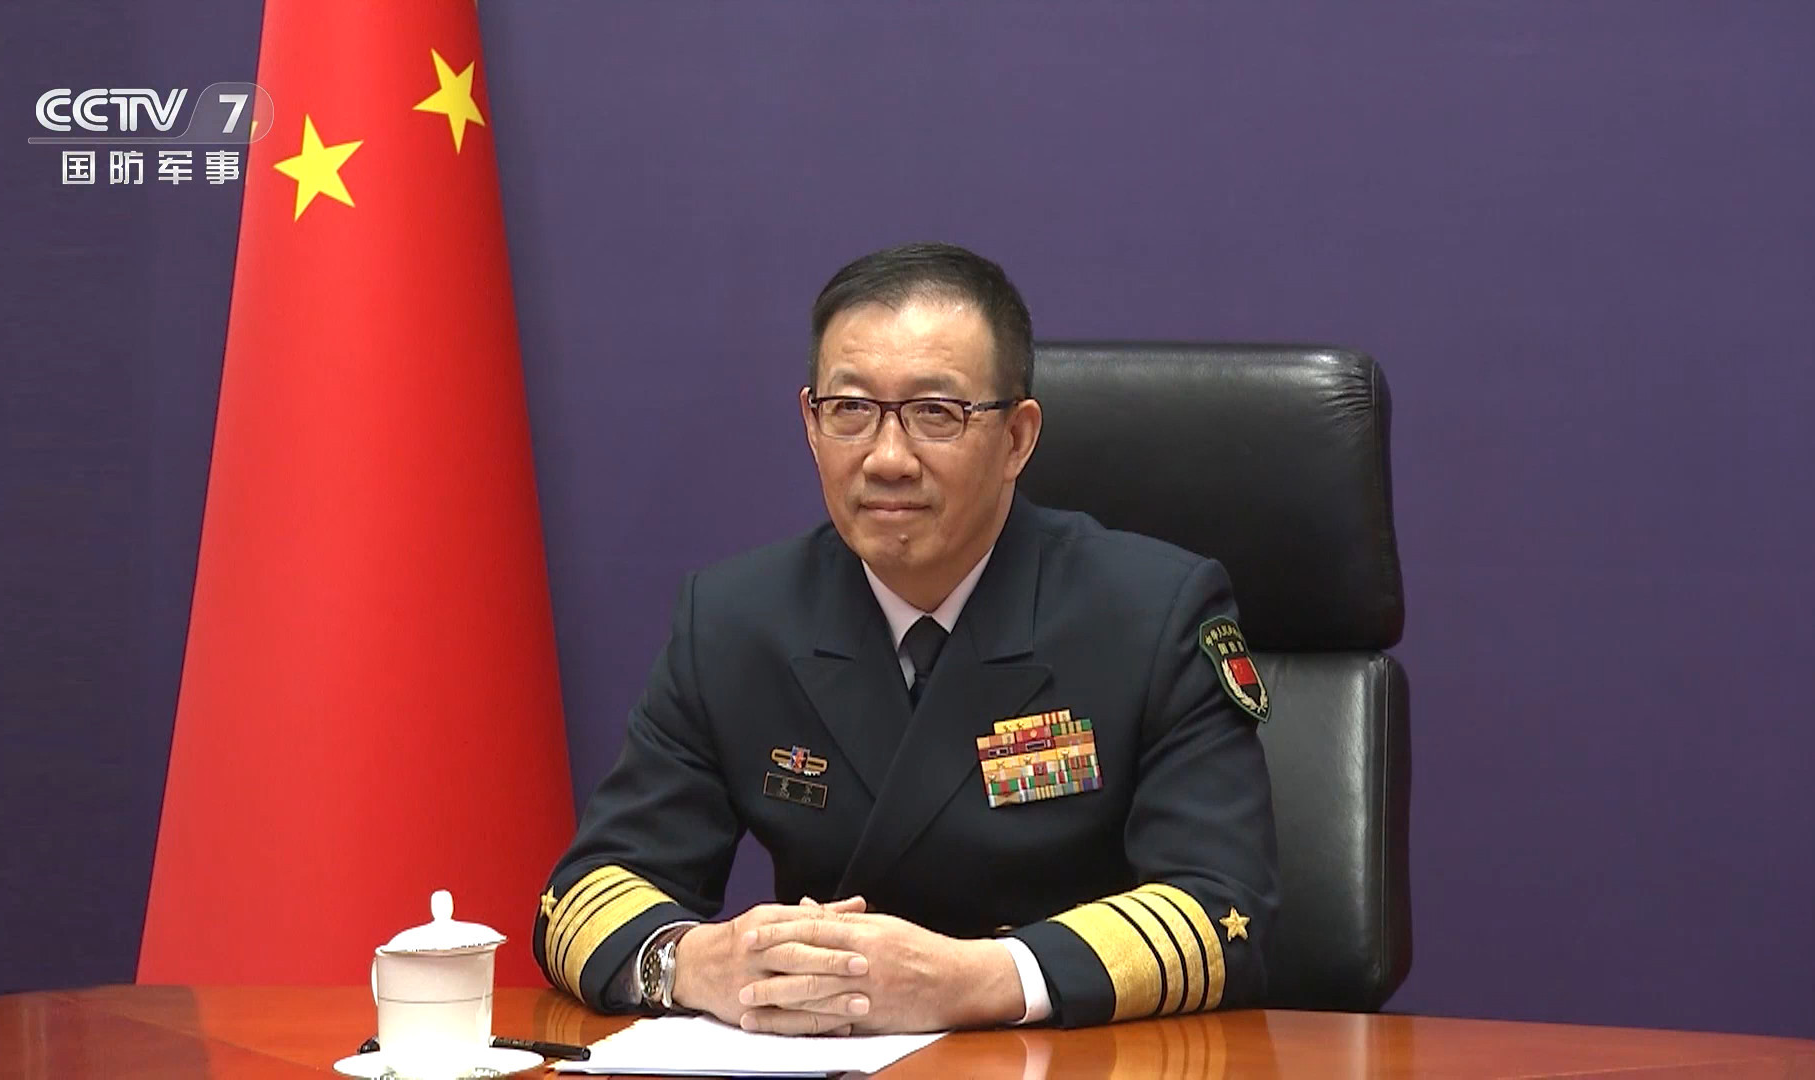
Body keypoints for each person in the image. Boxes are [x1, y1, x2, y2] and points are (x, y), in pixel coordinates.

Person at [534, 242, 1277, 1032]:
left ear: (1017, 439)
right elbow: (584, 896)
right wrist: (693, 963)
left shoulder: (1152, 613)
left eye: (936, 414)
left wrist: (979, 979)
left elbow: (1221, 911)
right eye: (850, 411)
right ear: (810, 424)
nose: (887, 459)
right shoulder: (733, 620)